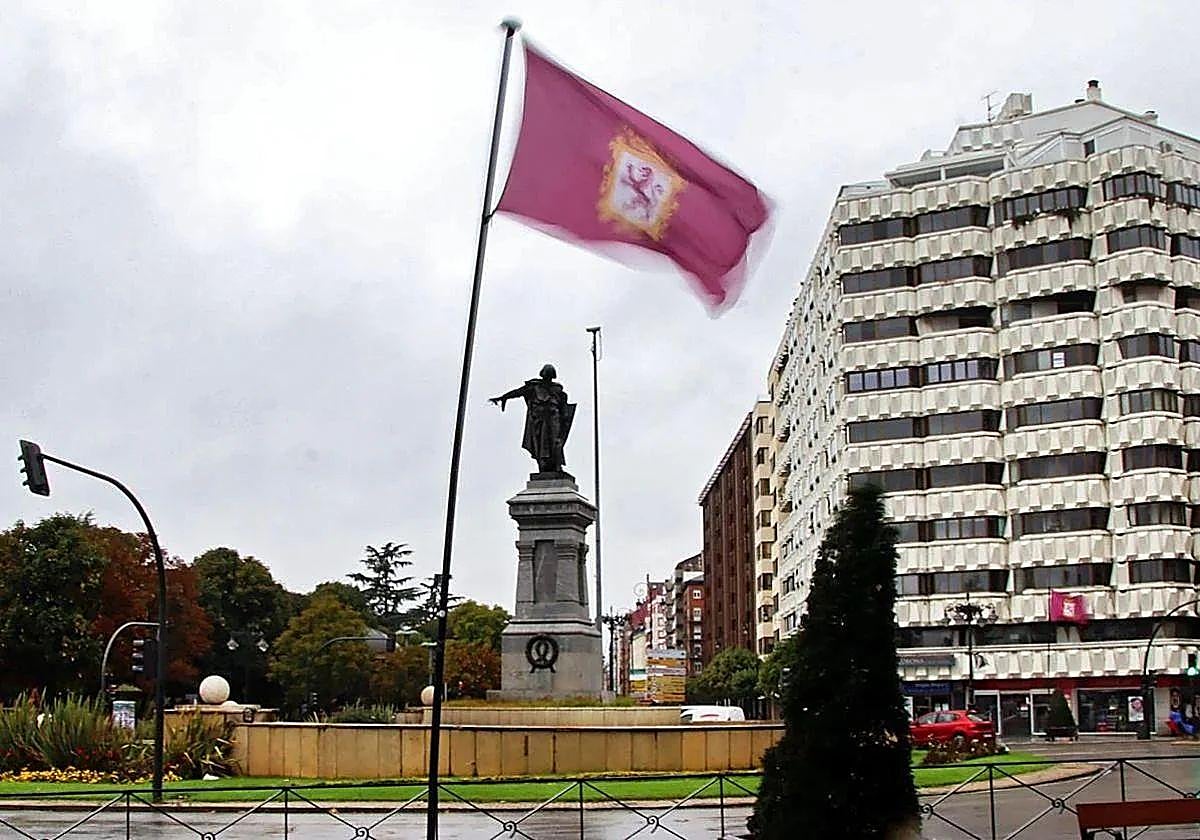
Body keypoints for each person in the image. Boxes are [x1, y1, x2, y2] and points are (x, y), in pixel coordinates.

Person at [490, 365, 576, 474]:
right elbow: (517, 392)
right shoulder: (534, 387)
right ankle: (543, 466)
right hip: (538, 419)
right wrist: (503, 397)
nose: (547, 376)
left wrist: (564, 422)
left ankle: (557, 466)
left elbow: (564, 411)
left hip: (553, 418)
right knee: (539, 444)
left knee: (555, 442)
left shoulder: (558, 391)